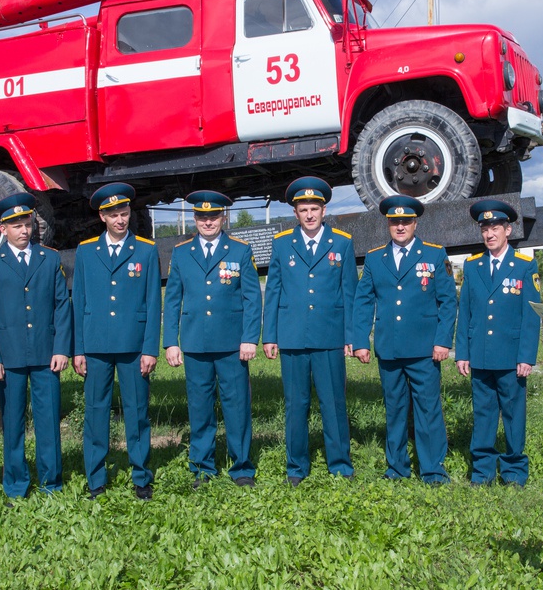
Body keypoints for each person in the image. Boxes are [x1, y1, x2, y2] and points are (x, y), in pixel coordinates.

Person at [352, 195, 457, 484]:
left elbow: (448, 302)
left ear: (415, 222)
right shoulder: (375, 258)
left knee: (427, 409)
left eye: (406, 221)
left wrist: (443, 341)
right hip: (389, 348)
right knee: (395, 409)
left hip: (425, 349)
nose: (400, 227)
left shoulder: (435, 255)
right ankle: (397, 468)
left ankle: (433, 469)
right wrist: (360, 340)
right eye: (395, 222)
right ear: (388, 224)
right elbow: (363, 301)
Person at [163, 191, 262, 489]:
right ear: (194, 219)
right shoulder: (181, 253)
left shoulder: (240, 251)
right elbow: (172, 300)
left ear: (223, 218)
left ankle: (242, 466)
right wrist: (171, 341)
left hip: (232, 344)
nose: (208, 222)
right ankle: (203, 467)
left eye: (214, 216)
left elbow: (252, 299)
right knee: (200, 407)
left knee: (237, 406)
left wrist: (249, 338)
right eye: (202, 217)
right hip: (195, 344)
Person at [263, 176, 357, 485]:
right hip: (292, 337)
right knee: (296, 405)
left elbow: (348, 293)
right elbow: (273, 291)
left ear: (324, 209)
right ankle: (296, 467)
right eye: (303, 209)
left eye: (314, 208)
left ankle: (340, 465)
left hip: (329, 337)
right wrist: (270, 335)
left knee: (333, 404)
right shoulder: (281, 243)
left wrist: (350, 337)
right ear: (295, 213)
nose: (310, 215)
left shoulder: (341, 242)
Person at [72, 183, 162, 501]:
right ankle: (96, 480)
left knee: (137, 413)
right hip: (95, 347)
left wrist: (150, 348)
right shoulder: (86, 252)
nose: (120, 220)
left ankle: (141, 477)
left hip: (133, 346)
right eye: (113, 215)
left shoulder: (146, 250)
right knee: (96, 414)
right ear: (102, 217)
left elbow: (153, 304)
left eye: (124, 213)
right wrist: (78, 349)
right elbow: (78, 301)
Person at [0, 193, 72, 501]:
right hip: (10, 356)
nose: (24, 230)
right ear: (3, 229)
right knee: (13, 423)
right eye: (16, 225)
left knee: (48, 421)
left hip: (47, 354)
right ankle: (16, 484)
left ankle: (51, 483)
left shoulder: (49, 258)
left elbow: (62, 306)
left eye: (27, 223)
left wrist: (61, 348)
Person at [455, 200, 541, 487]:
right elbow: (464, 310)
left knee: (513, 414)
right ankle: (482, 471)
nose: (490, 233)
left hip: (510, 355)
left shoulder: (525, 266)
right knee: (483, 414)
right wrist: (462, 353)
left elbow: (531, 316)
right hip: (479, 354)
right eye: (485, 228)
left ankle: (515, 471)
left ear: (508, 229)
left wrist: (527, 356)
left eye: (495, 228)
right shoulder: (472, 265)